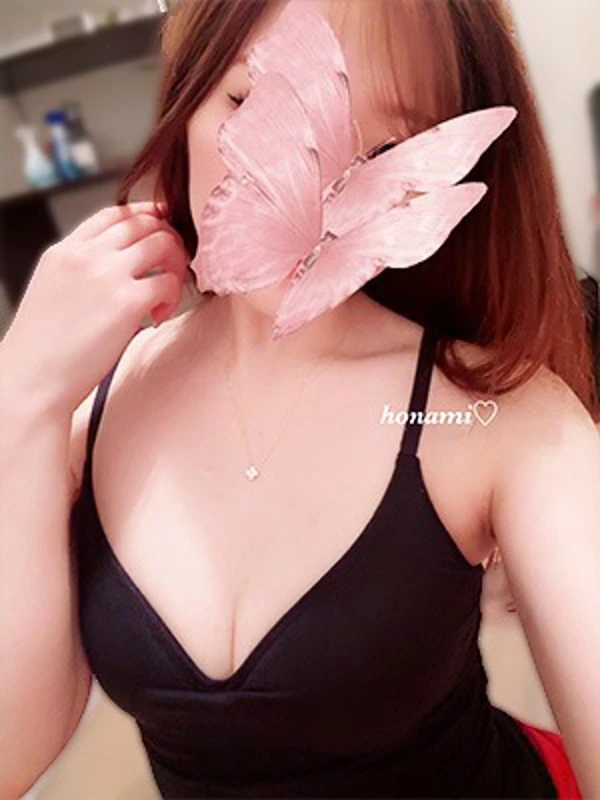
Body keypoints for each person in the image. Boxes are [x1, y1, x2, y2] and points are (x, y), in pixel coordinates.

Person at [1, 0, 599, 797]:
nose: (319, 187)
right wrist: (21, 396)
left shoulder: (491, 413)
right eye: (256, 102)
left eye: (389, 149)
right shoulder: (87, 409)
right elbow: (11, 755)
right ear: (188, 99)